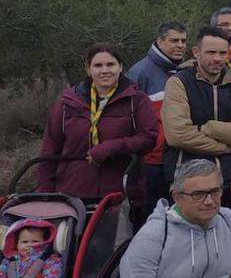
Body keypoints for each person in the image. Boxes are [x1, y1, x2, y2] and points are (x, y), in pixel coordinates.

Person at [162, 26, 231, 231]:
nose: (217, 58)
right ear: (196, 52)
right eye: (211, 52)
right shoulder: (179, 83)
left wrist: (210, 128)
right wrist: (226, 145)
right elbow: (178, 135)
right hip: (191, 183)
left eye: (222, 53)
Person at [38, 43, 158, 202]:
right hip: (72, 193)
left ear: (120, 67)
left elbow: (148, 138)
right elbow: (50, 151)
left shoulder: (136, 100)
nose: (105, 70)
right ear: (88, 69)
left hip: (119, 195)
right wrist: (43, 195)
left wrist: (110, 148)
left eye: (110, 64)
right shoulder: (67, 103)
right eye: (98, 65)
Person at [127, 21, 188, 219]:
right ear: (159, 41)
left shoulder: (184, 71)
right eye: (174, 40)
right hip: (151, 163)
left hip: (178, 160)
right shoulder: (140, 72)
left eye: (184, 41)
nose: (180, 45)